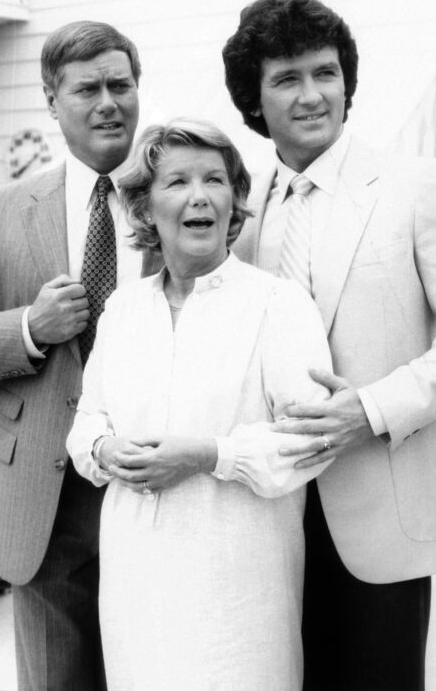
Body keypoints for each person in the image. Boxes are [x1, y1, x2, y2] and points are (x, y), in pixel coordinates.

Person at [222, 0, 436, 691]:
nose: (313, 95)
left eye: (325, 73)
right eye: (287, 78)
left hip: (382, 521)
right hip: (269, 521)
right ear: (254, 97)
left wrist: (368, 409)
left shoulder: (416, 185)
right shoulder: (241, 221)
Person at [66, 118, 334, 690]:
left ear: (234, 201)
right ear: (143, 208)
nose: (199, 196)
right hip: (135, 582)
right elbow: (87, 420)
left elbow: (314, 440)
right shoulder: (123, 308)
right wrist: (103, 447)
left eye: (215, 180)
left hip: (239, 592)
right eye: (177, 182)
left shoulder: (277, 304)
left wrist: (209, 454)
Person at [0, 20, 153, 691]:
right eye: (87, 88)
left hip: (154, 486)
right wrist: (29, 327)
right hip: (46, 501)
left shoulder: (177, 197)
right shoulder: (1, 210)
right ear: (52, 99)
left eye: (122, 84)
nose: (108, 102)